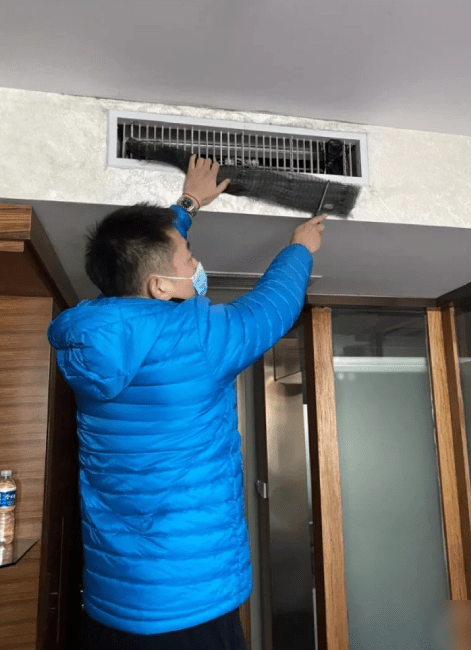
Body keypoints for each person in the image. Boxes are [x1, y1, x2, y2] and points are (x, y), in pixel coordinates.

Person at [47, 155, 327, 649]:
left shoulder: (90, 337)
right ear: (160, 286)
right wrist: (300, 248)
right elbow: (271, 308)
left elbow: (142, 254)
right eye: (188, 258)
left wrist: (189, 205)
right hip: (192, 604)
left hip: (113, 602)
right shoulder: (195, 338)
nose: (196, 266)